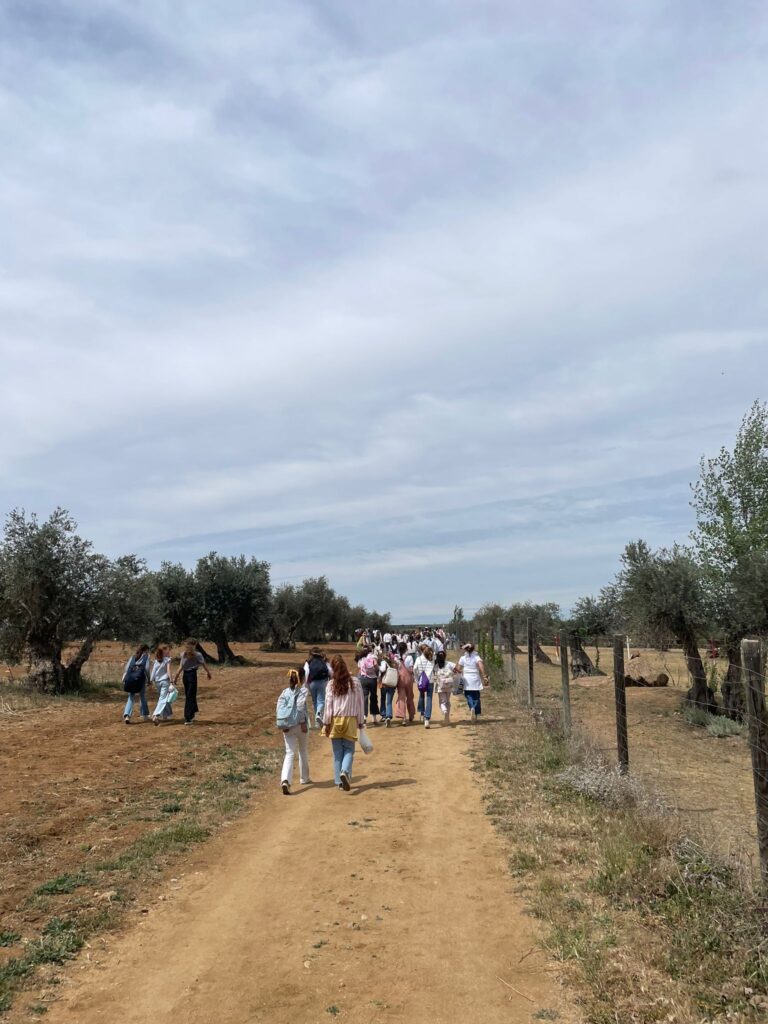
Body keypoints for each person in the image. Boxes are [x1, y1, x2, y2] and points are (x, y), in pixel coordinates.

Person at [323, 655, 365, 791]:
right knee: (349, 750)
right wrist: (361, 721)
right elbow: (360, 704)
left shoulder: (330, 685)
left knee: (337, 752)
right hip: (350, 720)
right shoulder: (355, 682)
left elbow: (328, 705)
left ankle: (339, 781)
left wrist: (326, 722)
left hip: (335, 720)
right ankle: (345, 772)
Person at [277, 669, 310, 795]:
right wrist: (302, 722)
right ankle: (304, 778)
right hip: (299, 725)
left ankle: (285, 779)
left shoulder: (284, 692)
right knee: (303, 750)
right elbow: (301, 706)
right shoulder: (303, 690)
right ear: (302, 678)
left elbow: (279, 707)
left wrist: (283, 723)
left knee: (289, 752)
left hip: (287, 726)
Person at [173, 638, 212, 725]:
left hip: (185, 676)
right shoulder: (198, 655)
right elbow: (204, 664)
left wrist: (175, 677)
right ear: (194, 645)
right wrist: (208, 673)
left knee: (189, 695)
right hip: (192, 676)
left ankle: (192, 712)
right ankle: (188, 717)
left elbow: (180, 667)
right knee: (190, 696)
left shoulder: (183, 654)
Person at [458, 643, 489, 721]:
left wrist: (458, 673)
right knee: (476, 695)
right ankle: (476, 711)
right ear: (473, 649)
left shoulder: (462, 658)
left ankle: (472, 707)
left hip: (466, 679)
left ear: (465, 649)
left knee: (468, 695)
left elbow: (458, 668)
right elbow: (481, 666)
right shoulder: (476, 657)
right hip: (475, 678)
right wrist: (484, 676)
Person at [304, 647, 332, 729]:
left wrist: (305, 686)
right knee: (321, 700)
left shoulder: (308, 662)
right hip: (323, 682)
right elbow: (330, 671)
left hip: (312, 683)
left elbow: (306, 672)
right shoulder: (324, 661)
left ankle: (317, 723)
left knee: (315, 701)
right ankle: (319, 714)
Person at [121, 644, 150, 723]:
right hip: (140, 679)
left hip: (130, 679)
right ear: (146, 650)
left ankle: (127, 715)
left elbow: (126, 668)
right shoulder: (146, 657)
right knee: (142, 696)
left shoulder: (133, 657)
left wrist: (124, 678)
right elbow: (146, 669)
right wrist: (149, 680)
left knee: (131, 697)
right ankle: (145, 715)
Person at [150, 644, 175, 724]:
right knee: (163, 699)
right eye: (168, 650)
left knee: (162, 698)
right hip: (165, 681)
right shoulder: (167, 660)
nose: (169, 651)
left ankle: (165, 715)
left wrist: (151, 681)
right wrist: (171, 681)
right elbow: (168, 671)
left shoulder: (157, 660)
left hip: (157, 682)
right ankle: (156, 715)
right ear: (164, 651)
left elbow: (153, 671)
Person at [413, 645, 435, 728]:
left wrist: (416, 679)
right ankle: (427, 719)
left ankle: (422, 713)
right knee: (429, 698)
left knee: (422, 695)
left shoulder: (418, 659)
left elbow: (414, 669)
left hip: (421, 680)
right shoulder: (432, 659)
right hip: (430, 680)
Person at [433, 649, 457, 725]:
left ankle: (444, 710)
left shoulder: (436, 666)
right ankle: (447, 718)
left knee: (442, 702)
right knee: (447, 701)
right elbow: (456, 669)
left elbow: (434, 675)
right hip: (449, 685)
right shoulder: (449, 664)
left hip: (441, 686)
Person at [357, 647, 380, 724]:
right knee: (373, 697)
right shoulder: (373, 658)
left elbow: (360, 670)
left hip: (363, 679)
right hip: (373, 679)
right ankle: (374, 717)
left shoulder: (361, 660)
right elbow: (376, 667)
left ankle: (364, 716)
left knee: (364, 698)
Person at [395, 642, 415, 725]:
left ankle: (403, 718)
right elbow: (411, 669)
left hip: (400, 679)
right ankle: (411, 715)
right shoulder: (409, 657)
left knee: (401, 698)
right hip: (409, 679)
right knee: (410, 697)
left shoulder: (396, 658)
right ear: (406, 648)